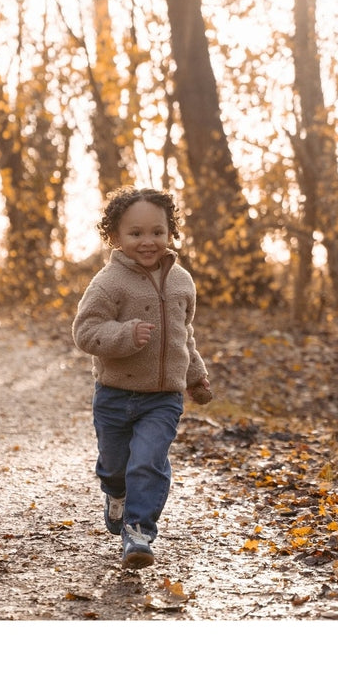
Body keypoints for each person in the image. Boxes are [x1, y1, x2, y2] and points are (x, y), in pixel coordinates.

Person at [72, 186, 212, 569]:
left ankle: (138, 531)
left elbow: (185, 335)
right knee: (116, 467)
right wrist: (124, 335)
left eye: (157, 232)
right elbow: (85, 331)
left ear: (171, 232)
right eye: (135, 234)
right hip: (115, 395)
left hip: (163, 397)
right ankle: (115, 493)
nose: (148, 241)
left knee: (148, 462)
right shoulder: (108, 282)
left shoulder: (182, 281)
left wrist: (195, 376)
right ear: (115, 236)